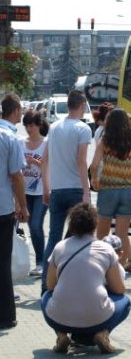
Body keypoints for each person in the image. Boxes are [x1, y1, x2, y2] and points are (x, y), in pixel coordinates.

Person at [41, 203, 129, 354]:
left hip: (60, 316)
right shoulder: (106, 249)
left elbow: (50, 285)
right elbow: (119, 289)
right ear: (95, 224)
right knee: (125, 301)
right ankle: (103, 334)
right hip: (97, 317)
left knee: (45, 297)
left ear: (72, 225)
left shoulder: (60, 247)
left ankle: (61, 335)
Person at [41, 90, 92, 293]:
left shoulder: (54, 127)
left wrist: (46, 187)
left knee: (53, 239)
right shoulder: (83, 129)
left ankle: (46, 286)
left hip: (57, 189)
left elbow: (44, 160)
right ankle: (74, 286)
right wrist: (86, 190)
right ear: (81, 106)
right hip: (75, 189)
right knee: (79, 239)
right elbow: (81, 161)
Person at [90, 109, 131, 271]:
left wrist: (95, 179)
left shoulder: (104, 141)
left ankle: (102, 268)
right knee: (121, 235)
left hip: (108, 191)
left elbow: (93, 165)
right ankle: (119, 271)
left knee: (102, 234)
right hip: (128, 193)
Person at [0, 93, 29, 330]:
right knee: (2, 262)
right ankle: (6, 315)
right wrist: (23, 205)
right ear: (16, 111)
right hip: (2, 208)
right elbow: (17, 176)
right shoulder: (10, 137)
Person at [21, 109, 49, 277]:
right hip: (23, 191)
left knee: (35, 224)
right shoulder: (20, 142)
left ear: (38, 125)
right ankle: (41, 261)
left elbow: (49, 167)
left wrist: (36, 163)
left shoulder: (46, 143)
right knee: (32, 226)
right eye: (26, 125)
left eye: (31, 125)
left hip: (40, 190)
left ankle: (41, 262)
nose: (28, 128)